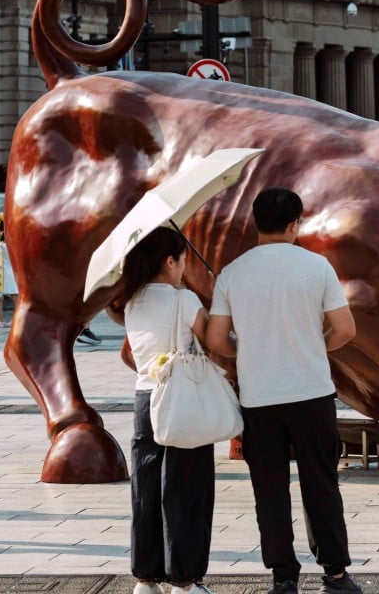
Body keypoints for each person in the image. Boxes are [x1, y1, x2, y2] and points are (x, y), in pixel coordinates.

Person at [205, 187, 362, 594]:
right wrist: (313, 343)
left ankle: (284, 576)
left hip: (258, 398)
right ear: (295, 223)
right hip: (311, 393)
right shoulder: (317, 266)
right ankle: (335, 573)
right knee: (321, 483)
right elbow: (345, 329)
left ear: (256, 221)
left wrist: (248, 351)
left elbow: (217, 340)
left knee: (269, 489)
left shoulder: (233, 272)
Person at [114, 227, 220, 594]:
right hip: (181, 400)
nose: (184, 268)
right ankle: (184, 581)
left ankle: (145, 579)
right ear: (170, 261)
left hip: (144, 398)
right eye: (183, 261)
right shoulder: (185, 301)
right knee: (185, 487)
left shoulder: (132, 302)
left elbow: (129, 354)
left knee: (145, 488)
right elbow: (215, 342)